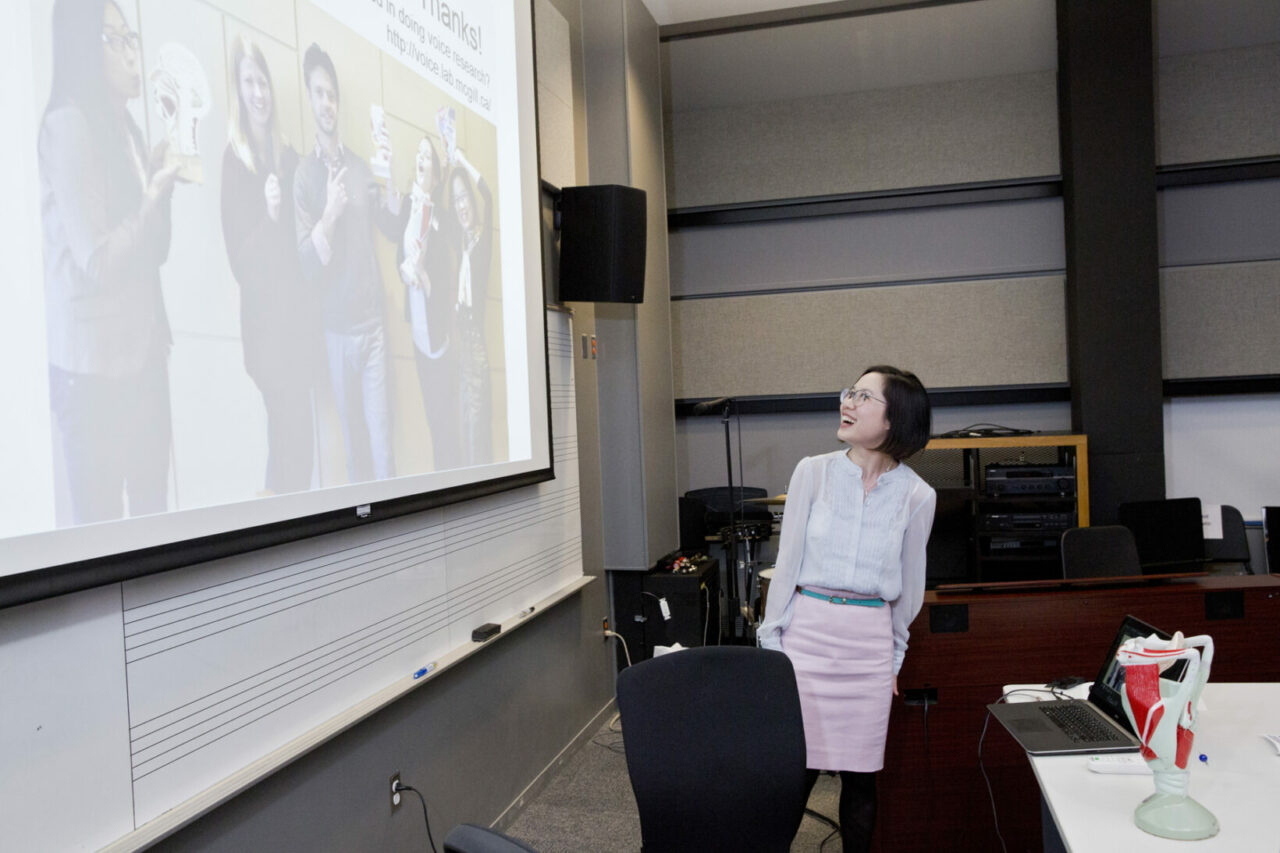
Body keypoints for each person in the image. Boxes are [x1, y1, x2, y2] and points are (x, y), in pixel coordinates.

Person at [758, 365, 936, 852]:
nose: (848, 403)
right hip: (807, 637)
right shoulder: (812, 471)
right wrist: (772, 644)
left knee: (861, 781)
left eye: (863, 397)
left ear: (895, 419)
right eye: (849, 393)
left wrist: (894, 658)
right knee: (797, 774)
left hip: (868, 647)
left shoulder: (919, 495)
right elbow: (786, 563)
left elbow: (910, 592)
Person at [38, 0, 181, 524]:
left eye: (131, 40)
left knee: (153, 525)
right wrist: (149, 202)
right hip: (94, 375)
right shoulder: (68, 127)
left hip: (142, 358)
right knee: (102, 541)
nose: (130, 53)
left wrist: (161, 191)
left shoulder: (132, 134)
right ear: (83, 48)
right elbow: (96, 259)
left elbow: (155, 251)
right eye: (115, 40)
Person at [293, 43, 402, 484]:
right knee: (354, 453)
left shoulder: (360, 167)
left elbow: (392, 227)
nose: (327, 102)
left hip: (373, 328)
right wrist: (331, 216)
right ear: (310, 98)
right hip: (336, 334)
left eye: (332, 94)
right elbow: (305, 264)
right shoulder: (304, 176)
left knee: (383, 450)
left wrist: (391, 180)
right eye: (319, 93)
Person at [220, 34, 319, 495]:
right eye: (249, 82)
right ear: (238, 93)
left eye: (263, 82)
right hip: (265, 333)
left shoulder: (289, 157)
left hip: (298, 327)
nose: (259, 92)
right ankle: (277, 533)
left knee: (298, 443)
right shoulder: (234, 162)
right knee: (285, 438)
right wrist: (270, 215)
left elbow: (309, 233)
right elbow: (239, 261)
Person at [397, 135, 460, 470]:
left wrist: (424, 276)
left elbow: (445, 277)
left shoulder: (441, 217)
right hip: (418, 335)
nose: (421, 160)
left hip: (439, 337)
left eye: (428, 157)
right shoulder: (408, 208)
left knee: (444, 422)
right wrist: (407, 271)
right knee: (432, 419)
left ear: (436, 173)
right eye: (418, 154)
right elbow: (398, 257)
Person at [447, 149, 494, 465]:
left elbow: (489, 195)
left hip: (474, 338)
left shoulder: (481, 241)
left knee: (477, 420)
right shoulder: (458, 241)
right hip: (456, 338)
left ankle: (481, 472)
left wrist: (461, 159)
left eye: (465, 198)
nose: (462, 206)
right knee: (463, 417)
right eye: (457, 201)